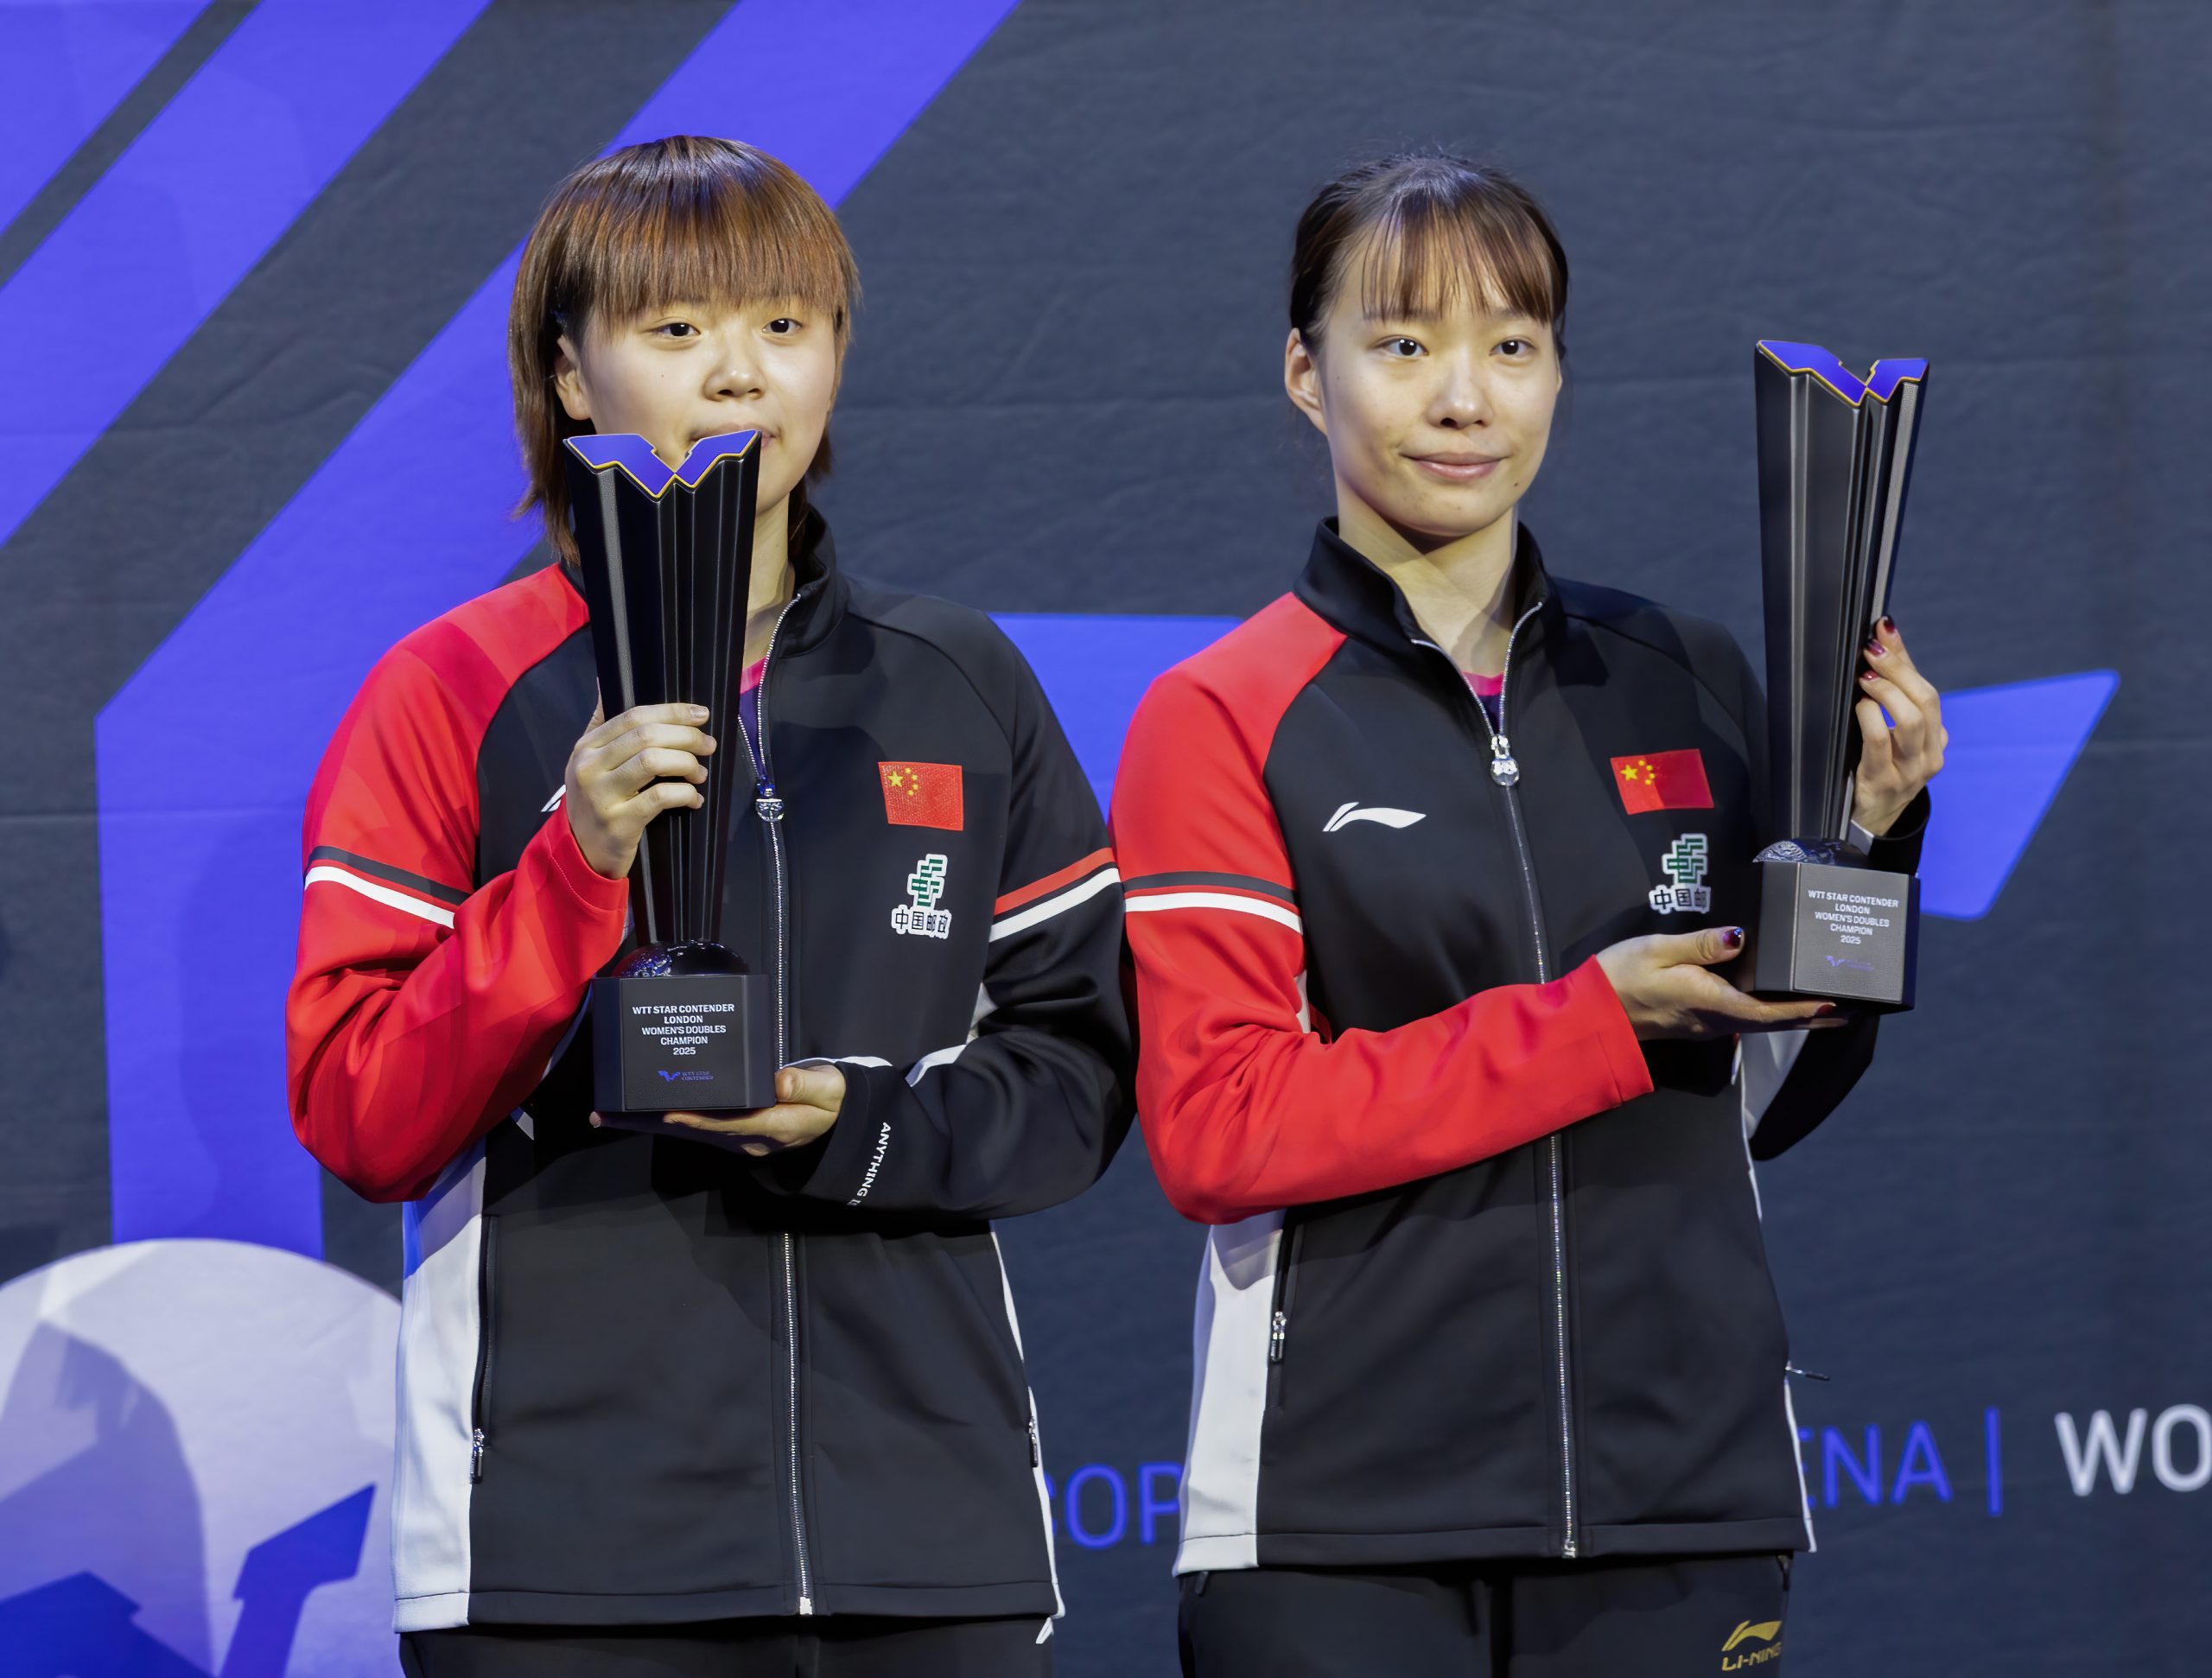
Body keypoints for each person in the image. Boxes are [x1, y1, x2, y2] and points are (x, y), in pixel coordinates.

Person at [286, 136, 1132, 1677]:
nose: (741, 372)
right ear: (569, 372)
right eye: (678, 329)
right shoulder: (451, 690)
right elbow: (360, 1108)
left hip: (924, 1544)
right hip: (566, 1561)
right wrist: (571, 870)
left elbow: (1077, 1069)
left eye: (784, 325)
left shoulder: (955, 680)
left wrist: (857, 1123)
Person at [1111, 154, 1943, 1676]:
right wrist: (1591, 1021)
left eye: (1512, 343)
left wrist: (1870, 845)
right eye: (1403, 342)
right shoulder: (1221, 712)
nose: (1464, 398)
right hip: (1342, 1524)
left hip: (1679, 1495)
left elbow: (1767, 1090)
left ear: (1559, 370)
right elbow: (1219, 1127)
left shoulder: (1682, 675)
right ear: (1306, 372)